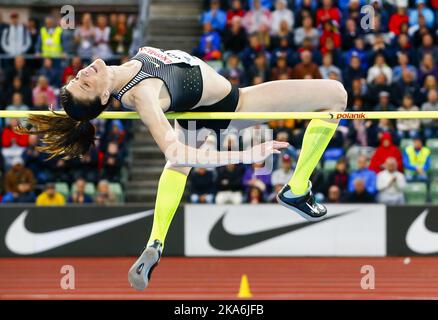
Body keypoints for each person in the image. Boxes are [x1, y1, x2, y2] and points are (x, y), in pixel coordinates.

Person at [17, 45, 347, 290]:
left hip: (197, 110)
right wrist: (246, 156)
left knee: (177, 169)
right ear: (104, 95)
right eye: (85, 84)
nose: (84, 73)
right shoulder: (142, 96)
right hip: (235, 107)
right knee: (336, 95)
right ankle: (297, 188)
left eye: (79, 77)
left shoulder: (124, 71)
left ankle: (155, 242)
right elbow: (176, 152)